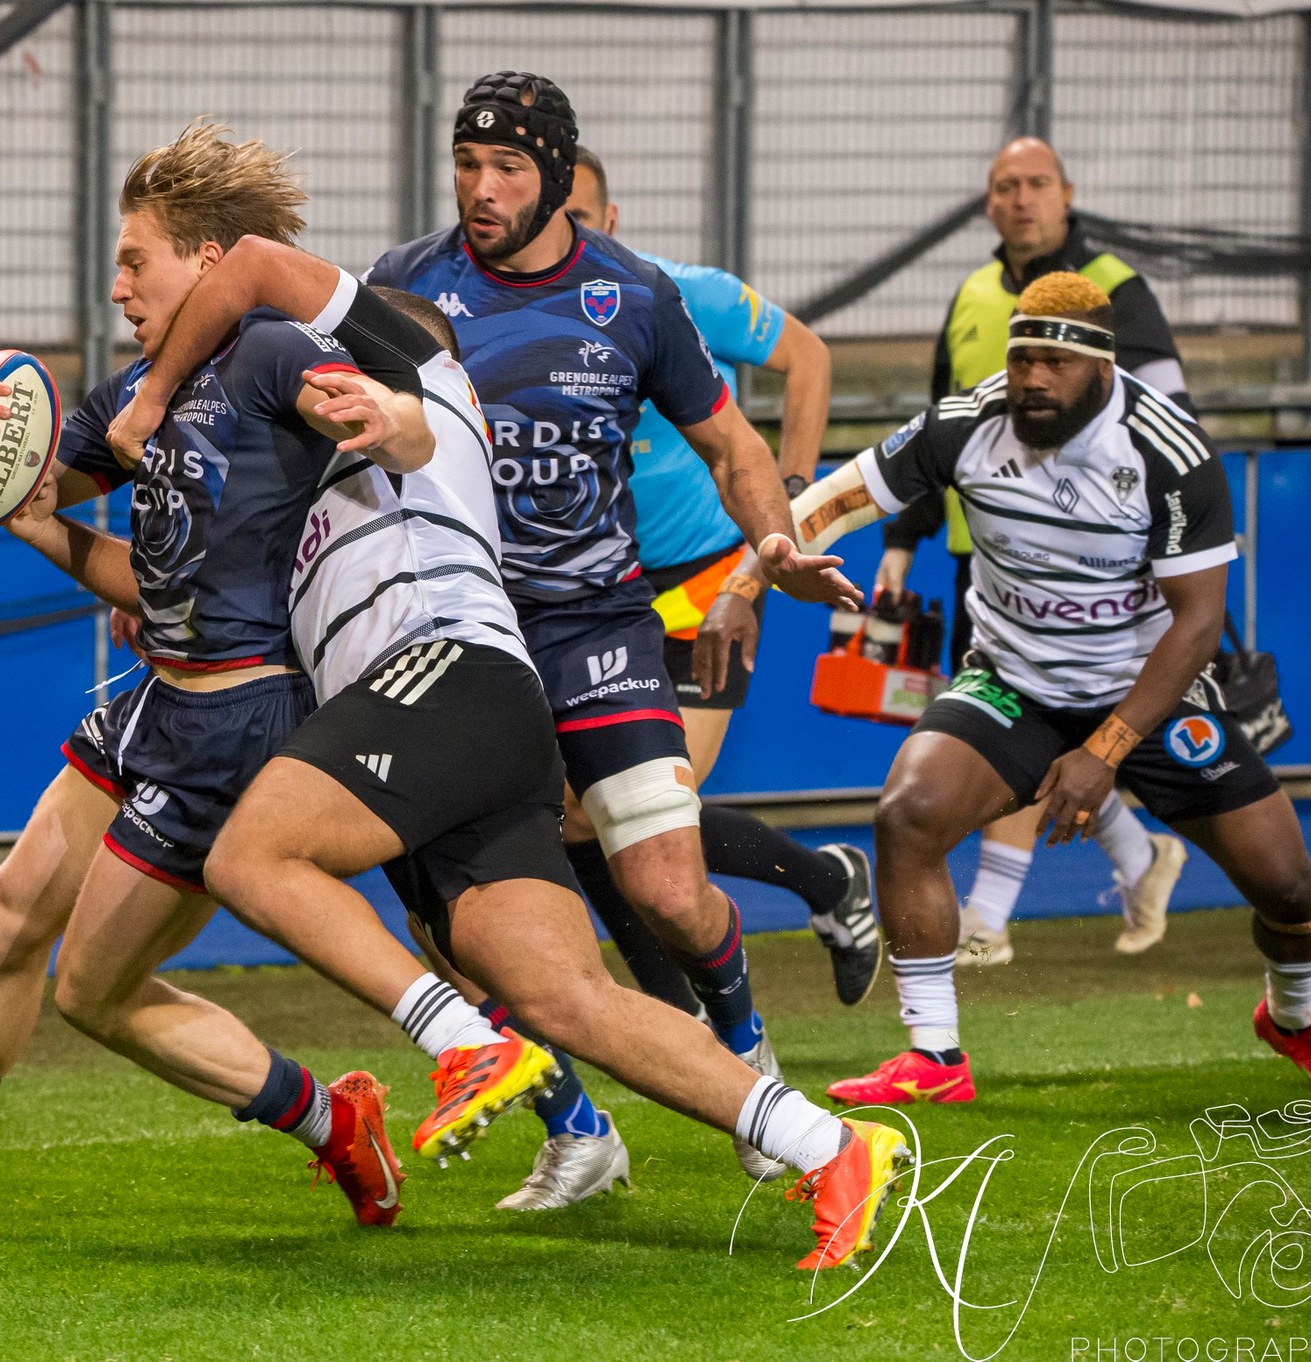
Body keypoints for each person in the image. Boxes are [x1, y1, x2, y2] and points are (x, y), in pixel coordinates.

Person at [0, 122, 526, 1234]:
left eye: (136, 259)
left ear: (208, 260)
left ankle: (330, 1121)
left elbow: (383, 417)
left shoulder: (271, 353)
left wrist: (393, 421)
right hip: (158, 700)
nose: (117, 283)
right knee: (7, 911)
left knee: (92, 992)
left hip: (241, 725)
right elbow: (34, 495)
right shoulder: (144, 388)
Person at [109, 247, 913, 1273]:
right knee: (569, 999)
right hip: (470, 718)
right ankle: (831, 1146)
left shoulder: (426, 395)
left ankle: (459, 1043)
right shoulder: (322, 465)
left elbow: (271, 277)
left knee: (249, 859)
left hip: (441, 678)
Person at [359, 71, 859, 1189]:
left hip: (596, 629)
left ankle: (746, 1061)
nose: (479, 190)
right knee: (456, 930)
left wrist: (772, 540)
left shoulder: (633, 297)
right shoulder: (399, 285)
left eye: (506, 169)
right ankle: (576, 1129)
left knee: (668, 893)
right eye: (464, 164)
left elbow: (731, 448)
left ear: (555, 180)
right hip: (455, 636)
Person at [747, 271, 1311, 1104]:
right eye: (1021, 359)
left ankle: (1292, 1021)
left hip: (1151, 688)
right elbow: (824, 507)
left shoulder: (1168, 451)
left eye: (1054, 363)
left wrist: (1105, 751)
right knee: (908, 812)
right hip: (1013, 680)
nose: (1032, 380)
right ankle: (935, 1059)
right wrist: (748, 584)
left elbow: (1195, 627)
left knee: (1291, 891)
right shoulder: (965, 425)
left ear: (1104, 367)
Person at [558, 144, 882, 1017]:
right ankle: (700, 991)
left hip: (713, 578)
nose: (566, 229)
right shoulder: (519, 317)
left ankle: (792, 910)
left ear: (611, 220)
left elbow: (808, 358)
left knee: (647, 807)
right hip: (604, 591)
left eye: (581, 214)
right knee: (582, 814)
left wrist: (789, 510)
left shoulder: (678, 292)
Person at [876, 137, 1190, 967]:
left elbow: (1172, 418)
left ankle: (988, 915)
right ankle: (1136, 857)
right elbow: (934, 423)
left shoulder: (1117, 288)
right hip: (984, 555)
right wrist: (900, 542)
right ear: (988, 203)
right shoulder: (974, 293)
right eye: (1006, 186)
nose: (1022, 199)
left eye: (1037, 184)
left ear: (1066, 193)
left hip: (1103, 569)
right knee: (1013, 732)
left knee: (1017, 727)